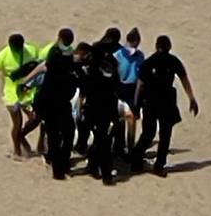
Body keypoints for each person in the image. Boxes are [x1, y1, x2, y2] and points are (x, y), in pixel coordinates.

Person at [130, 35, 199, 177]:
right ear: (169, 47)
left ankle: (136, 162)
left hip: (150, 102)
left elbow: (140, 86)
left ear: (156, 46)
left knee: (148, 133)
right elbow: (184, 80)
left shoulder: (148, 62)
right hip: (166, 102)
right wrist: (191, 98)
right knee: (165, 135)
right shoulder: (173, 61)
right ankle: (159, 166)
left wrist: (136, 105)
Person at [0, 34, 40, 159]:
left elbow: (38, 66)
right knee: (17, 122)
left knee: (35, 118)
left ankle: (22, 137)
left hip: (27, 91)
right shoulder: (3, 55)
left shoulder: (31, 50)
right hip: (11, 92)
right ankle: (17, 151)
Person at [34, 48, 79, 180]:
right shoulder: (65, 75)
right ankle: (60, 166)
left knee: (58, 136)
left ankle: (58, 166)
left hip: (52, 107)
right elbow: (70, 91)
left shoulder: (51, 73)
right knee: (64, 135)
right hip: (57, 106)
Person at [81, 41, 120, 185]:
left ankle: (93, 166)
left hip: (97, 110)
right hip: (103, 110)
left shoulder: (92, 70)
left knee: (101, 140)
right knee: (104, 142)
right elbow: (115, 87)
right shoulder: (104, 69)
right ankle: (105, 174)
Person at [116, 27, 145, 153]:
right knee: (121, 119)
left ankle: (130, 147)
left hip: (132, 89)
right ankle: (121, 146)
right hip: (121, 88)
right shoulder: (118, 55)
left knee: (131, 119)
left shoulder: (140, 56)